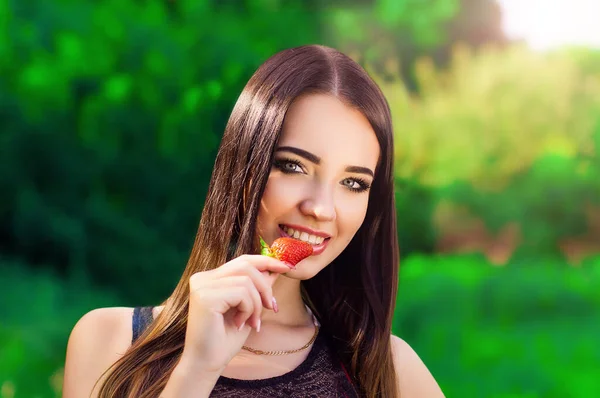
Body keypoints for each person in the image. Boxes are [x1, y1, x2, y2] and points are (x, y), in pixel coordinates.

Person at [63, 44, 444, 398]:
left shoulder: (388, 371)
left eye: (353, 183)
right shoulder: (108, 342)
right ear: (244, 167)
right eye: (293, 166)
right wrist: (196, 370)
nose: (322, 208)